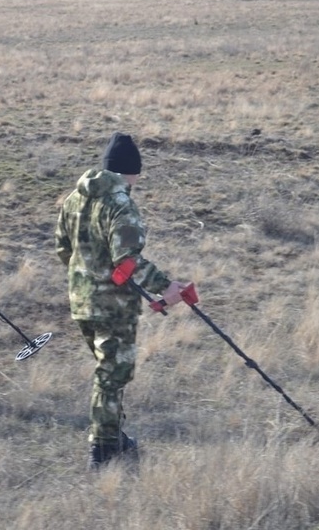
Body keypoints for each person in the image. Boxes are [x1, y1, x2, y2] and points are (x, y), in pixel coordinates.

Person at [55, 131, 189, 469]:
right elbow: (127, 261)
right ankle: (102, 451)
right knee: (112, 376)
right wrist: (165, 287)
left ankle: (115, 437)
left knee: (108, 372)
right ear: (132, 172)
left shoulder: (74, 199)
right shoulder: (121, 204)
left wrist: (87, 276)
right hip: (112, 306)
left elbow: (62, 249)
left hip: (81, 301)